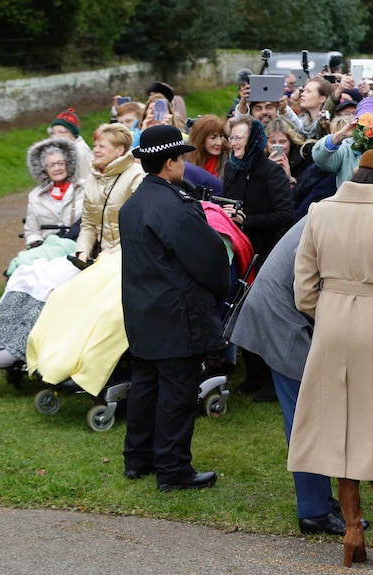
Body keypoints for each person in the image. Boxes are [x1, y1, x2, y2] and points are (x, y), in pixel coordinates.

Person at [230, 159, 373, 537]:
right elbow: (312, 290)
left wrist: (338, 315)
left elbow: (311, 290)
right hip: (281, 318)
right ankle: (314, 510)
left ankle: (326, 502)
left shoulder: (325, 210)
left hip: (305, 315)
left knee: (316, 412)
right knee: (307, 415)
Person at [288, 149, 373, 568]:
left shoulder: (319, 211)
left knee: (338, 427)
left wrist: (331, 309)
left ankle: (352, 530)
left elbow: (303, 289)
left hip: (331, 324)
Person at [120, 125, 230, 492]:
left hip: (142, 308)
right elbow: (209, 257)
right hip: (174, 311)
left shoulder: (136, 201)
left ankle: (138, 458)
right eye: (181, 158)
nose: (184, 164)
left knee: (146, 384)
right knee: (177, 391)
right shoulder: (174, 205)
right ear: (169, 163)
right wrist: (220, 288)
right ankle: (173, 469)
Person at [221, 117, 294, 400]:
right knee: (240, 313)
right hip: (238, 251)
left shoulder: (271, 172)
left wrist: (246, 219)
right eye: (233, 137)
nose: (234, 143)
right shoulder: (231, 169)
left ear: (254, 141)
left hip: (266, 254)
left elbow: (286, 216)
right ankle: (252, 375)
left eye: (239, 138)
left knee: (264, 317)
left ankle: (270, 381)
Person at [74, 124, 145, 263]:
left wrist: (114, 252)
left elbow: (141, 225)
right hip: (102, 257)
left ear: (119, 150)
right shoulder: (92, 179)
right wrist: (82, 252)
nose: (96, 150)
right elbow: (89, 223)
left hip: (132, 256)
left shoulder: (137, 175)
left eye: (102, 146)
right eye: (95, 146)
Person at [22, 137, 84, 249]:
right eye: (51, 165)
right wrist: (36, 245)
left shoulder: (84, 188)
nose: (57, 168)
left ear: (68, 164)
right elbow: (32, 231)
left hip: (79, 246)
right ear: (44, 169)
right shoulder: (35, 196)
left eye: (60, 163)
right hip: (48, 247)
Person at [48, 108, 93, 181]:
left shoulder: (80, 151)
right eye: (53, 133)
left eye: (61, 132)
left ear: (72, 134)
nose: (56, 136)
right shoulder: (58, 150)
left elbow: (86, 178)